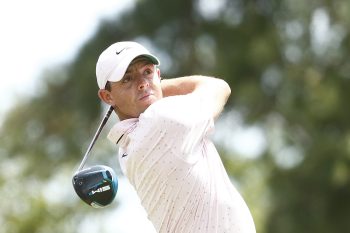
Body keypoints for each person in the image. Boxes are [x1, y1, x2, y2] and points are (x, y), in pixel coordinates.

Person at [96, 41, 256, 233]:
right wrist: (157, 86)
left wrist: (148, 87)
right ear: (107, 97)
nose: (142, 83)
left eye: (147, 71)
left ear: (158, 73)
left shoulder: (125, 148)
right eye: (127, 79)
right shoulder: (162, 119)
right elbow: (218, 86)